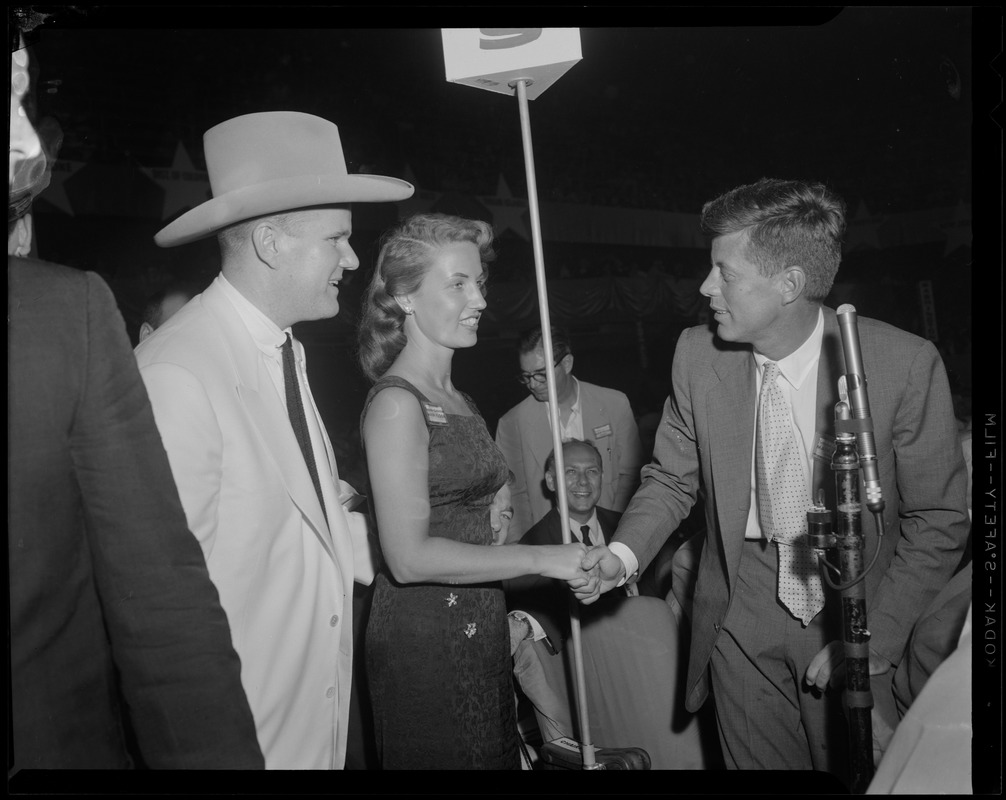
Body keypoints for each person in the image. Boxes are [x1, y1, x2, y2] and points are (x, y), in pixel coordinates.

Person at [576, 178, 969, 781]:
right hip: (740, 602)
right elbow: (670, 479)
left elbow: (938, 521)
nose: (706, 287)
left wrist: (873, 641)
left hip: (851, 606)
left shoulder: (901, 365)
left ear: (789, 283)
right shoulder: (696, 354)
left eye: (724, 272)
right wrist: (621, 556)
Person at [8, 34, 263, 771]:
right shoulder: (144, 348)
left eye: (21, 102)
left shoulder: (65, 318)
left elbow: (164, 608)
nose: (28, 147)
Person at [134, 110, 413, 769]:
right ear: (270, 242)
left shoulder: (284, 349)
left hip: (312, 733)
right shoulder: (178, 373)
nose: (352, 258)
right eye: (337, 239)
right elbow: (163, 620)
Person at [356, 212, 593, 770]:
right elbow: (408, 558)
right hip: (426, 641)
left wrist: (499, 493)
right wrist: (545, 557)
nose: (480, 298)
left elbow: (458, 491)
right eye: (457, 283)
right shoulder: (397, 403)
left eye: (479, 283)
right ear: (406, 297)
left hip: (481, 627)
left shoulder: (460, 398)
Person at [505, 439, 710, 770]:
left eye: (592, 471)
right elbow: (542, 619)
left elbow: (673, 576)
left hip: (661, 674)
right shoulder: (532, 550)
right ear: (552, 481)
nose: (583, 482)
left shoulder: (634, 529)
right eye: (570, 472)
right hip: (600, 689)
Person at [495, 325, 645, 541]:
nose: (533, 385)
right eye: (526, 377)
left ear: (566, 363)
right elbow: (514, 496)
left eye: (541, 374)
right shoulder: (511, 423)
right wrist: (527, 554)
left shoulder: (615, 404)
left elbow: (631, 476)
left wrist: (619, 532)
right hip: (548, 545)